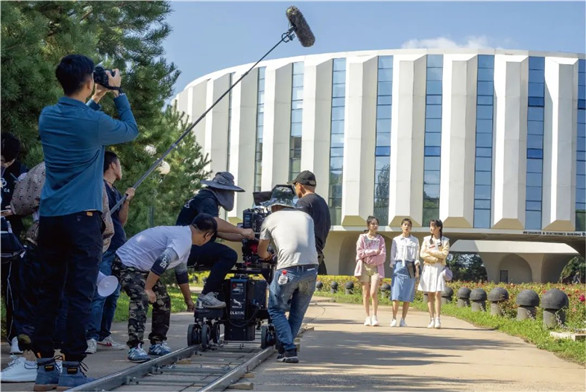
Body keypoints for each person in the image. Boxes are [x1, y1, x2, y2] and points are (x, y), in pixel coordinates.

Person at [32, 54, 138, 391]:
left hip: (50, 218)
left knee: (48, 291)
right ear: (90, 81)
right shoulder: (94, 125)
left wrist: (93, 99)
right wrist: (118, 93)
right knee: (79, 293)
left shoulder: (48, 116)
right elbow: (130, 130)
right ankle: (73, 369)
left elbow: (78, 123)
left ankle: (45, 369)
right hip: (84, 219)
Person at [113, 213, 217, 362]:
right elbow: (163, 261)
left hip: (143, 268)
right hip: (125, 263)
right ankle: (135, 347)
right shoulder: (183, 239)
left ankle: (157, 342)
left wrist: (188, 299)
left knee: (163, 300)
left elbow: (181, 272)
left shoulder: (186, 239)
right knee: (141, 297)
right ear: (207, 235)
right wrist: (148, 288)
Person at [257, 186, 318, 364]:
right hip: (311, 269)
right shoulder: (307, 217)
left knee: (276, 309)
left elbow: (261, 251)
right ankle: (287, 349)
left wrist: (268, 256)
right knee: (297, 313)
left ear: (275, 205)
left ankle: (288, 348)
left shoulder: (271, 218)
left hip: (287, 269)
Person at [176, 171, 255, 308]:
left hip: (184, 246)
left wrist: (243, 238)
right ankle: (207, 294)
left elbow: (215, 231)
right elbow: (215, 222)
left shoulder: (203, 198)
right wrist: (241, 230)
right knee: (229, 255)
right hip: (189, 247)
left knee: (225, 254)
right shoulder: (208, 200)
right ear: (223, 190)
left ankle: (214, 291)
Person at [86, 151, 135, 354]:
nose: (121, 167)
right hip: (104, 246)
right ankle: (90, 336)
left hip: (118, 247)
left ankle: (104, 334)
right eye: (120, 163)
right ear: (113, 165)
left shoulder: (114, 190)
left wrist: (126, 201)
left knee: (113, 292)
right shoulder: (99, 187)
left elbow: (121, 221)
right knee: (100, 292)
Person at [1, 133, 28, 355]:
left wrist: (15, 210)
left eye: (3, 161)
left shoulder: (22, 172)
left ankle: (16, 338)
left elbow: (30, 202)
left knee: (12, 290)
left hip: (10, 238)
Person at [290, 170, 331, 275]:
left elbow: (297, 231)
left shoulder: (303, 202)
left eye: (295, 185)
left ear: (300, 185)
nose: (295, 189)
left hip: (305, 261)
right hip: (318, 258)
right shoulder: (322, 202)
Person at [354, 216, 386, 327]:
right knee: (366, 293)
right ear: (368, 225)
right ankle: (367, 317)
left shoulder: (380, 239)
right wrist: (373, 252)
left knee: (373, 292)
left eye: (376, 223)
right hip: (364, 267)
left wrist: (369, 256)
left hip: (376, 268)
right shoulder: (362, 237)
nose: (375, 225)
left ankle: (375, 316)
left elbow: (382, 256)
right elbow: (360, 253)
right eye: (372, 223)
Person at [418, 219, 450, 329]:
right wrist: (434, 258)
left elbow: (444, 254)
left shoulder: (445, 240)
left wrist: (431, 252)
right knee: (430, 294)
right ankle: (431, 318)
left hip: (439, 269)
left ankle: (438, 319)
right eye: (430, 226)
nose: (431, 229)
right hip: (428, 268)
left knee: (437, 293)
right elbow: (422, 254)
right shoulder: (426, 240)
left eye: (433, 226)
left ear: (439, 227)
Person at [389, 218, 420, 327]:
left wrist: (417, 271)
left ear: (411, 228)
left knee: (407, 295)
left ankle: (403, 319)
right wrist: (393, 266)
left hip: (410, 266)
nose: (406, 227)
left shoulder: (415, 240)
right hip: (398, 265)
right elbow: (392, 254)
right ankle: (393, 318)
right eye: (405, 224)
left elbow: (416, 256)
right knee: (396, 295)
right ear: (401, 226)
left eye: (408, 225)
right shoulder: (396, 239)